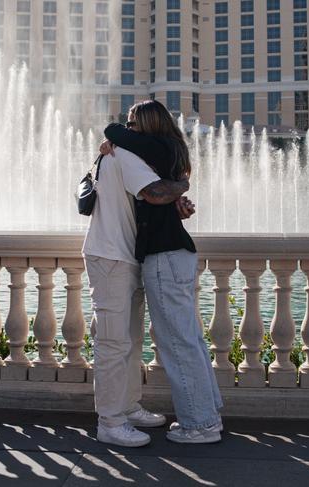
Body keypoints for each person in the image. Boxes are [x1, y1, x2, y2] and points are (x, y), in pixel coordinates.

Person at [100, 100, 223, 444]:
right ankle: (209, 415)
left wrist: (115, 137)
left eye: (134, 122)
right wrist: (180, 196)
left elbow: (112, 131)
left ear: (149, 125)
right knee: (190, 338)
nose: (129, 128)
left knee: (176, 342)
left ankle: (199, 425)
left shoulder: (153, 147)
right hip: (177, 253)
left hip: (164, 256)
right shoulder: (169, 151)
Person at [82, 144, 192, 448]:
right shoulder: (123, 154)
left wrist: (177, 207)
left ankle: (128, 407)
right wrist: (182, 184)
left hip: (125, 257)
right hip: (111, 258)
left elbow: (148, 204)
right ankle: (110, 421)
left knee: (129, 340)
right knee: (112, 342)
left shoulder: (123, 154)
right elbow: (155, 193)